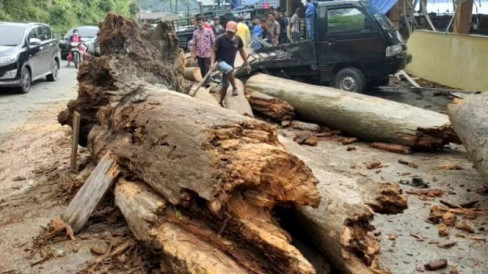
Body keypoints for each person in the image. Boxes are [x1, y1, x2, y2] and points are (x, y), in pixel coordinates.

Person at [210, 21, 250, 106]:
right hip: (220, 62)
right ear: (225, 30)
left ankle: (220, 102)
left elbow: (242, 51)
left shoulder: (238, 39)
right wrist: (212, 63)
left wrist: (247, 63)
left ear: (236, 31)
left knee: (225, 84)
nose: (229, 34)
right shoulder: (220, 39)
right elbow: (213, 51)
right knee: (229, 70)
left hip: (230, 64)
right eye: (228, 32)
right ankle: (235, 88)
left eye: (231, 32)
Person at [191, 16, 215, 86]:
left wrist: (214, 52)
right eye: (198, 23)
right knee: (201, 68)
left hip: (208, 53)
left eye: (201, 22)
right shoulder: (195, 33)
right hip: (199, 53)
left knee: (207, 67)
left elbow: (213, 41)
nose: (199, 24)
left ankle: (207, 82)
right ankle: (205, 80)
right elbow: (194, 44)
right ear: (196, 23)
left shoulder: (209, 31)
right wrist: (193, 53)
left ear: (203, 22)